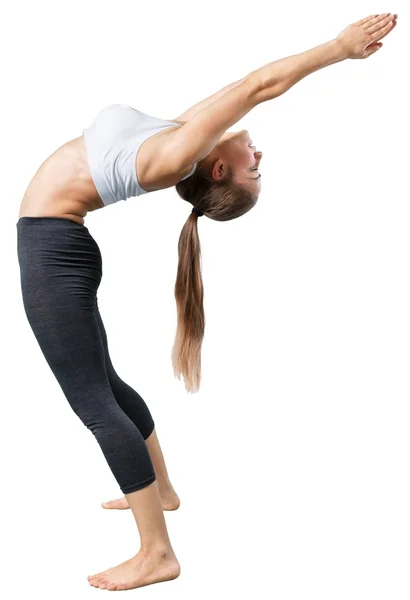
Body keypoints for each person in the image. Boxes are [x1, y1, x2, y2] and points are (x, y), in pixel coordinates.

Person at [16, 13, 397, 592]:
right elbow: (239, 92)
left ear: (219, 169)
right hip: (57, 245)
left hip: (51, 249)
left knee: (93, 402)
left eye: (254, 172)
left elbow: (256, 88)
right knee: (106, 386)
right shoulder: (178, 140)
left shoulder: (174, 155)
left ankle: (156, 554)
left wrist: (338, 50)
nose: (259, 157)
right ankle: (161, 491)